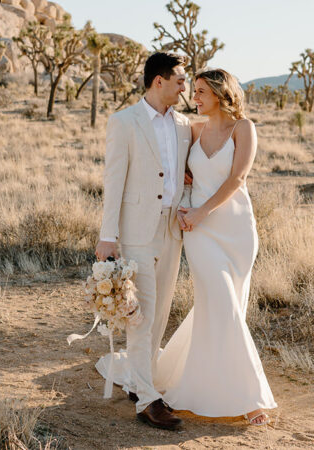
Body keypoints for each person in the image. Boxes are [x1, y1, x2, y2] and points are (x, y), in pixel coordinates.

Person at [157, 68, 277, 425]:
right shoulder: (192, 131)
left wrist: (201, 211)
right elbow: (169, 166)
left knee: (225, 307)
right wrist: (184, 201)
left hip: (235, 228)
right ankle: (249, 397)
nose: (193, 98)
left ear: (221, 94)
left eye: (200, 92)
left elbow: (238, 177)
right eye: (192, 91)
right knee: (221, 299)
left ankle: (204, 380)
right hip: (198, 230)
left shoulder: (243, 129)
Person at [94, 51, 192, 431]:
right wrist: (108, 236)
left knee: (160, 314)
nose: (185, 86)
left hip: (170, 229)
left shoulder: (184, 124)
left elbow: (184, 171)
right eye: (180, 80)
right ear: (159, 81)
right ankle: (149, 402)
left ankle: (139, 381)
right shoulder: (124, 122)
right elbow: (113, 180)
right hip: (136, 231)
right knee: (140, 316)